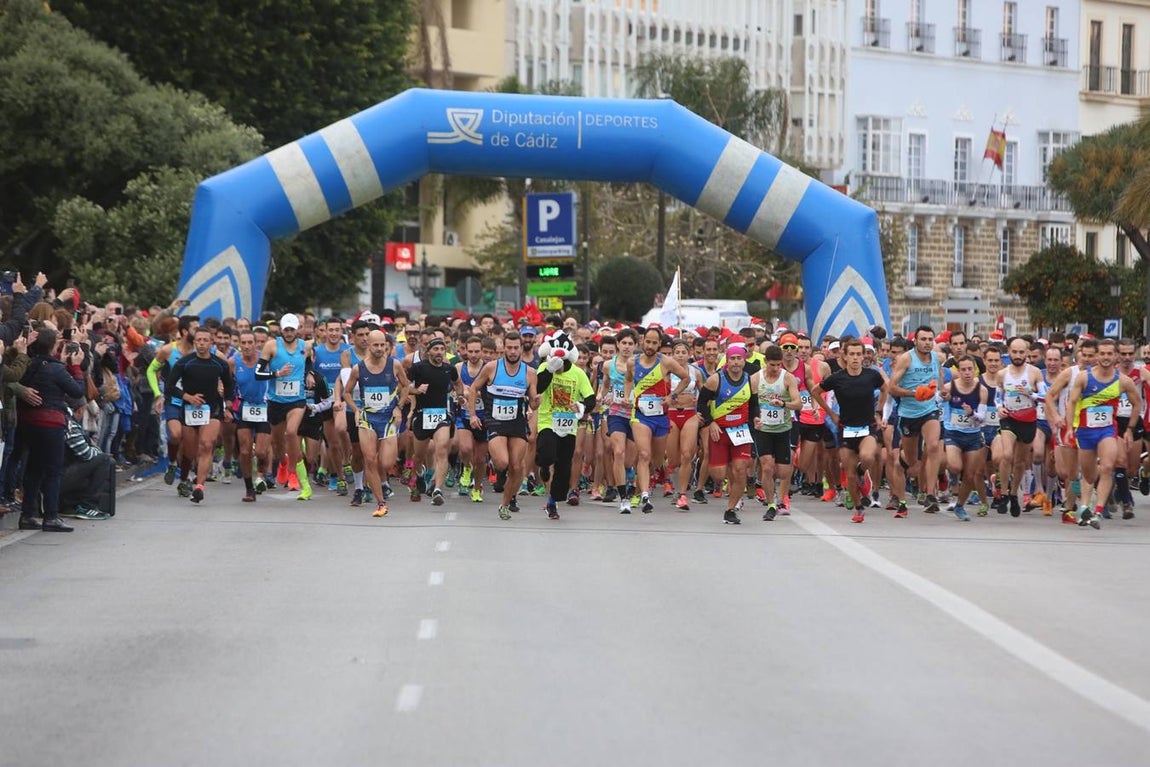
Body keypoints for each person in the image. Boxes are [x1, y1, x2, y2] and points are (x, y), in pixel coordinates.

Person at [16, 327, 87, 532]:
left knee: (33, 469)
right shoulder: (56, 369)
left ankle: (27, 514)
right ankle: (51, 516)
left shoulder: (28, 364)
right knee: (53, 471)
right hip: (51, 422)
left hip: (28, 421)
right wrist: (75, 368)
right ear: (54, 346)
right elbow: (77, 391)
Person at [1067, 338, 1142, 529]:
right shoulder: (1084, 378)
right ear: (1097, 355)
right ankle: (1084, 506)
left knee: (1108, 466)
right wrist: (1069, 427)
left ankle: (1098, 510)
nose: (1106, 357)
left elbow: (1137, 404)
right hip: (1085, 431)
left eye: (1110, 354)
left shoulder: (1123, 381)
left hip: (1108, 430)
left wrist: (1130, 430)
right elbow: (1072, 402)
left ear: (1115, 355)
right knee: (1089, 474)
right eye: (1102, 353)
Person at [810, 338, 888, 522]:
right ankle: (859, 508)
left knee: (868, 457)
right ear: (844, 356)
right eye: (851, 354)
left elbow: (886, 389)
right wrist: (830, 413)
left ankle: (863, 473)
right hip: (845, 428)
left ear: (863, 356)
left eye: (858, 354)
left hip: (866, 426)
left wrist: (879, 411)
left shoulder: (871, 375)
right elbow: (815, 391)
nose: (855, 358)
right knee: (849, 473)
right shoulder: (837, 378)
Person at [469, 332, 537, 520]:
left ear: (521, 349)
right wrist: (473, 414)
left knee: (517, 467)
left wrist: (537, 401)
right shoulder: (491, 368)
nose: (513, 351)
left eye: (516, 348)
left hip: (517, 423)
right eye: (509, 347)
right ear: (504, 349)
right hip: (496, 421)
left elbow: (533, 403)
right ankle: (495, 466)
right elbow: (474, 388)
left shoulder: (529, 372)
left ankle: (505, 504)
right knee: (502, 463)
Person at [344, 330, 408, 517]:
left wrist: (399, 407)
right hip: (368, 419)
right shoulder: (358, 368)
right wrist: (356, 410)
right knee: (369, 459)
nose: (380, 349)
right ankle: (381, 503)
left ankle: (380, 482)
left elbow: (405, 386)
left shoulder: (394, 365)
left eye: (383, 345)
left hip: (388, 419)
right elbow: (347, 392)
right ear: (369, 346)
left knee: (386, 462)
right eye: (376, 345)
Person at [168, 327, 234, 503]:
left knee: (207, 445)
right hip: (189, 410)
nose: (202, 343)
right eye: (199, 340)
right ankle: (184, 476)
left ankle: (199, 486)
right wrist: (187, 397)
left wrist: (227, 405)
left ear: (211, 342)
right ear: (195, 342)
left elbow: (229, 386)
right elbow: (170, 386)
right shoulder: (185, 362)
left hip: (212, 409)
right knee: (190, 452)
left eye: (206, 340)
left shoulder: (220, 364)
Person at [534, 332, 596, 519]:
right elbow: (538, 388)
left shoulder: (578, 373)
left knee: (563, 468)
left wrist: (582, 406)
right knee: (547, 454)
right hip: (547, 421)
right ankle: (544, 466)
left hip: (568, 425)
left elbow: (591, 398)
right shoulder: (545, 367)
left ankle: (552, 502)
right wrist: (549, 371)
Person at [696, 342, 758, 525]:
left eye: (739, 358)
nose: (736, 362)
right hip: (719, 432)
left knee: (740, 469)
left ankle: (730, 509)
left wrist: (755, 419)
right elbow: (701, 404)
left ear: (744, 360)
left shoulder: (750, 380)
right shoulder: (716, 380)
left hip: (740, 431)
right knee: (718, 474)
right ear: (727, 360)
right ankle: (727, 482)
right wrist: (711, 422)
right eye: (733, 358)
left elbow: (754, 405)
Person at [257, 313, 312, 500]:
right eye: (286, 329)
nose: (289, 333)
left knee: (291, 432)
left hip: (297, 399)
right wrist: (277, 373)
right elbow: (258, 373)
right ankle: (282, 462)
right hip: (275, 401)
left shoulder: (306, 347)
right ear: (281, 330)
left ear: (298, 330)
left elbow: (310, 364)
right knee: (278, 441)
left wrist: (310, 374)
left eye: (292, 329)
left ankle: (293, 473)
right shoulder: (271, 346)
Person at [408, 336, 464, 505]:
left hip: (442, 415)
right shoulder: (418, 368)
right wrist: (416, 390)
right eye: (436, 349)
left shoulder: (449, 369)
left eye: (442, 349)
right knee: (418, 456)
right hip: (422, 415)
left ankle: (438, 489)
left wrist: (460, 396)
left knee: (442, 450)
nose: (439, 353)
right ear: (428, 352)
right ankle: (418, 475)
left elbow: (458, 382)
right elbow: (403, 387)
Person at [751, 344, 802, 520]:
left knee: (783, 471)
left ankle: (782, 498)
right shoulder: (756, 378)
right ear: (765, 362)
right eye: (772, 365)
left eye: (778, 365)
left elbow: (798, 403)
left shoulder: (788, 378)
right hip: (763, 429)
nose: (775, 368)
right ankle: (771, 504)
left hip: (783, 429)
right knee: (767, 467)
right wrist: (755, 418)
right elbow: (751, 404)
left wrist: (784, 404)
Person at [940, 355, 988, 522]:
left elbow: (983, 418)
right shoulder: (950, 386)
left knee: (969, 475)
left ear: (974, 369)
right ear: (958, 371)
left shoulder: (982, 390)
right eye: (963, 370)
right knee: (955, 466)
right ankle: (951, 477)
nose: (967, 373)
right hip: (953, 433)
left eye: (970, 369)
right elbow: (936, 400)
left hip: (973, 435)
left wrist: (972, 414)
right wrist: (941, 397)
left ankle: (960, 505)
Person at [230, 330, 271, 502]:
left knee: (261, 451)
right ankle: (249, 489)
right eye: (243, 343)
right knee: (245, 452)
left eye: (250, 342)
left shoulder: (266, 360)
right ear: (239, 344)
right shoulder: (233, 362)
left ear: (256, 343)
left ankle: (260, 476)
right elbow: (226, 382)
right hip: (243, 410)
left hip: (264, 408)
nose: (247, 346)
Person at [59, 405, 117, 519]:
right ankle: (88, 506)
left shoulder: (61, 418)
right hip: (58, 476)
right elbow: (86, 454)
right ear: (80, 410)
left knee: (92, 470)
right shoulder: (70, 424)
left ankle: (68, 505)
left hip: (52, 476)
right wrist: (96, 450)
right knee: (104, 460)